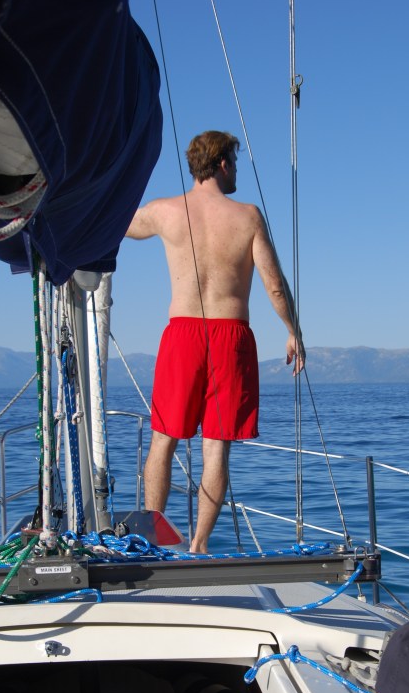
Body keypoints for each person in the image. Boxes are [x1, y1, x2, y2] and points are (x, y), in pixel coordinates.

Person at [125, 129, 304, 553]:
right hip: (230, 336)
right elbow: (274, 285)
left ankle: (152, 540)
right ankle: (199, 546)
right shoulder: (247, 217)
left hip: (182, 333)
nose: (236, 169)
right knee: (216, 448)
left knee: (164, 439)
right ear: (223, 163)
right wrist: (293, 329)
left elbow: (119, 225)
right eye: (235, 163)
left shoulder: (164, 212)